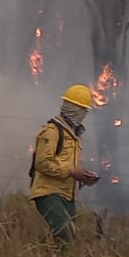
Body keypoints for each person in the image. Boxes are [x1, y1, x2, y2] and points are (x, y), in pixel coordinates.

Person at [27, 84, 98, 247]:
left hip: (66, 194)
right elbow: (42, 163)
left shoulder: (74, 136)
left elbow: (65, 164)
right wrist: (72, 172)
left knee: (68, 237)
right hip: (48, 192)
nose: (85, 114)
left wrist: (82, 175)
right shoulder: (52, 131)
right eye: (83, 109)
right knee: (66, 237)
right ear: (73, 108)